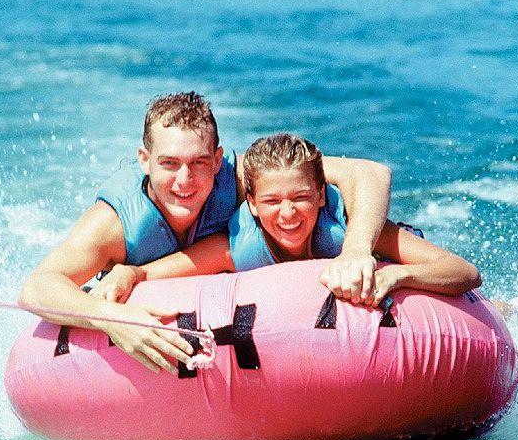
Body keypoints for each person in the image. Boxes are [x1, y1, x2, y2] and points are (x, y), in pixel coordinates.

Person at [20, 95, 393, 374]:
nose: (185, 181)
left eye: (199, 162)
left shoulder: (239, 177)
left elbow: (370, 173)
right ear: (144, 160)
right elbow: (37, 287)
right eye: (168, 164)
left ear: (217, 160)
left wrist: (356, 250)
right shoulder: (114, 224)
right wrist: (109, 318)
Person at [96, 133, 482, 307]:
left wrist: (395, 274)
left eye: (301, 198)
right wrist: (127, 273)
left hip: (414, 293)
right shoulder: (239, 247)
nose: (287, 213)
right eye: (272, 201)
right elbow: (154, 272)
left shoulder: (343, 229)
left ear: (320, 195)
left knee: (491, 309)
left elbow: (463, 272)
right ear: (251, 205)